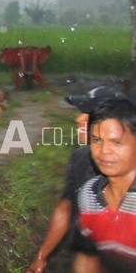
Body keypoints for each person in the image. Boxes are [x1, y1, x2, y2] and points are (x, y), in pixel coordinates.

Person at [26, 86, 125, 273]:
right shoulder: (80, 159)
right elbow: (65, 208)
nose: (79, 119)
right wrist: (41, 257)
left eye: (87, 114)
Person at [72, 98, 136, 272]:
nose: (104, 151)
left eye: (117, 142)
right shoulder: (88, 195)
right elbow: (87, 256)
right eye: (97, 140)